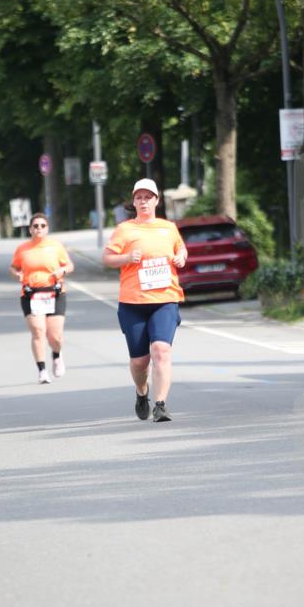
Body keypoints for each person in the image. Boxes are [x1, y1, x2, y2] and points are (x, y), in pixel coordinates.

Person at [102, 178, 187, 423]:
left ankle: (161, 405)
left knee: (161, 350)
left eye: (148, 197)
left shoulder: (168, 227)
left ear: (156, 200)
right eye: (138, 197)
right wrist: (127, 257)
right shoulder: (125, 230)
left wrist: (181, 256)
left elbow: (181, 249)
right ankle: (142, 392)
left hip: (165, 299)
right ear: (134, 202)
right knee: (140, 361)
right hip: (133, 302)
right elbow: (108, 258)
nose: (143, 201)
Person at [9, 213, 75, 384]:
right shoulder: (22, 249)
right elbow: (13, 267)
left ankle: (56, 354)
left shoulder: (56, 246)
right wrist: (18, 274)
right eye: (35, 226)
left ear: (47, 228)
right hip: (31, 294)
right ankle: (42, 371)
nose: (39, 228)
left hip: (54, 293)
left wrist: (62, 271)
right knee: (38, 331)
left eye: (42, 226)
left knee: (55, 336)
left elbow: (69, 265)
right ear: (30, 229)